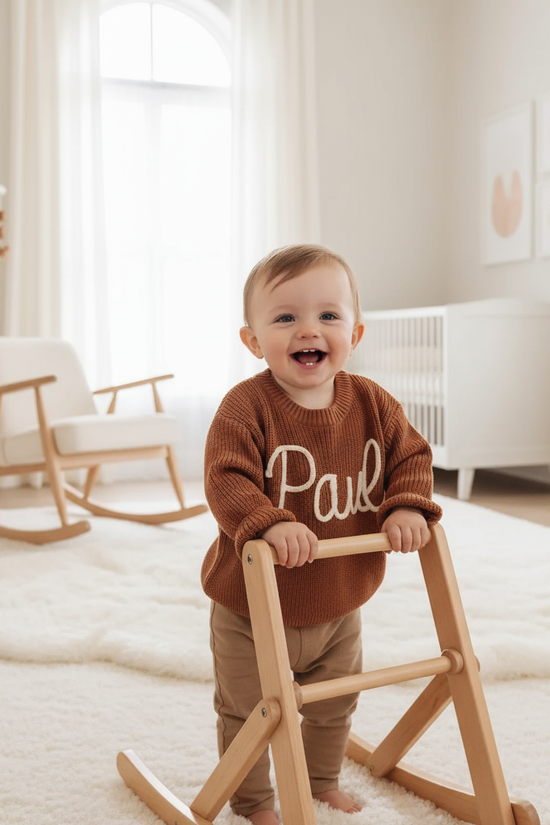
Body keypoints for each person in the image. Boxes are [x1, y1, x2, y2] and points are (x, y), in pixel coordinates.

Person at [202, 244, 443, 824]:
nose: (308, 329)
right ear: (253, 340)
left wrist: (406, 505)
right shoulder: (245, 408)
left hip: (339, 597)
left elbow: (411, 456)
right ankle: (253, 800)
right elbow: (225, 478)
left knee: (334, 704)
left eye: (327, 316)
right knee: (249, 708)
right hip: (252, 608)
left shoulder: (374, 403)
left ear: (354, 333)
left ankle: (321, 780)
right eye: (285, 318)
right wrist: (271, 521)